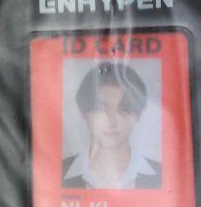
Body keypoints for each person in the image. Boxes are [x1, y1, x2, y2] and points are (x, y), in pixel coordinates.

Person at [62, 61, 161, 189]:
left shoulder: (162, 176)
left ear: (138, 114)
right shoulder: (58, 172)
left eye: (124, 110)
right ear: (83, 112)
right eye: (100, 109)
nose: (112, 122)